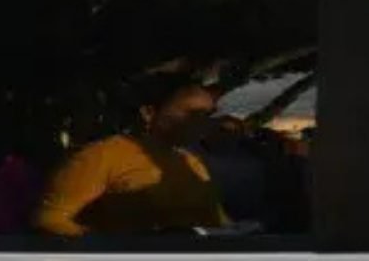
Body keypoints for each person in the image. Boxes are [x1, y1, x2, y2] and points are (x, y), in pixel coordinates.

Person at [34, 74, 229, 237]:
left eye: (207, 115)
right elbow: (49, 220)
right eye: (192, 113)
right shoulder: (100, 156)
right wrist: (108, 248)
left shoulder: (193, 165)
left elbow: (217, 225)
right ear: (149, 112)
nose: (201, 123)